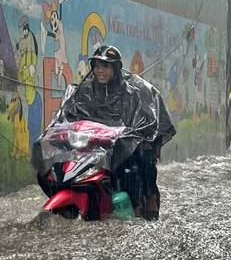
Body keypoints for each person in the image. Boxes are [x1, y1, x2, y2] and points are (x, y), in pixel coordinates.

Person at [45, 45, 176, 220]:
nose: (100, 70)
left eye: (105, 66)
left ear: (115, 69)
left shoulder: (131, 92)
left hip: (120, 148)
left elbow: (145, 117)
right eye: (97, 65)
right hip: (92, 146)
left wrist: (137, 135)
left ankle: (139, 213)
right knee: (49, 171)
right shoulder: (84, 91)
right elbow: (69, 116)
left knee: (135, 168)